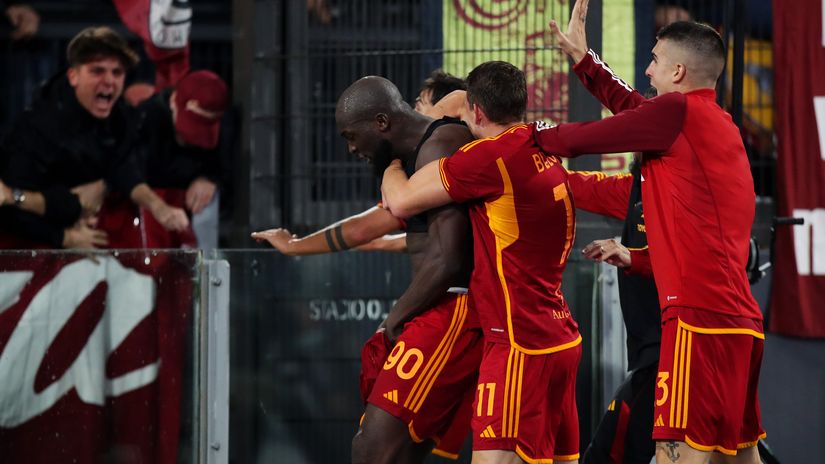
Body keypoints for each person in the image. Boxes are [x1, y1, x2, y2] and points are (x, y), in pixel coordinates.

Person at [533, 2, 765, 462]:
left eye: (655, 60)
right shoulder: (716, 126)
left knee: (674, 455)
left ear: (678, 71)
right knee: (738, 458)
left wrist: (521, 138)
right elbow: (636, 110)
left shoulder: (677, 114)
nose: (647, 68)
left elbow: (581, 139)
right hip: (741, 326)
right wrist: (586, 63)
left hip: (696, 325)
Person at [260, 75, 482, 464]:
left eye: (351, 135)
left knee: (372, 448)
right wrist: (294, 246)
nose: (349, 148)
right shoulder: (410, 160)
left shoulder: (441, 143)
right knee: (399, 451)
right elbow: (364, 226)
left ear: (381, 123)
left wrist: (397, 316)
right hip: (439, 307)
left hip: (455, 309)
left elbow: (450, 259)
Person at [382, 61, 582, 464]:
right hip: (560, 339)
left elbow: (399, 199)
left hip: (517, 346)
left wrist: (392, 162)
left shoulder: (489, 159)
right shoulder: (541, 147)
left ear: (475, 111)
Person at [0, 26, 188, 249]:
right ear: (74, 76)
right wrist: (64, 237)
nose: (109, 81)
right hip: (30, 246)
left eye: (117, 73)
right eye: (97, 71)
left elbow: (125, 168)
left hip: (84, 237)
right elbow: (9, 206)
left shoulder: (120, 115)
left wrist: (159, 207)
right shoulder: (35, 129)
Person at [566, 164, 661, 464]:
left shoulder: (682, 191)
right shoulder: (636, 188)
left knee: (607, 455)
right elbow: (581, 186)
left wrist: (633, 256)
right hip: (652, 358)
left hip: (674, 354)